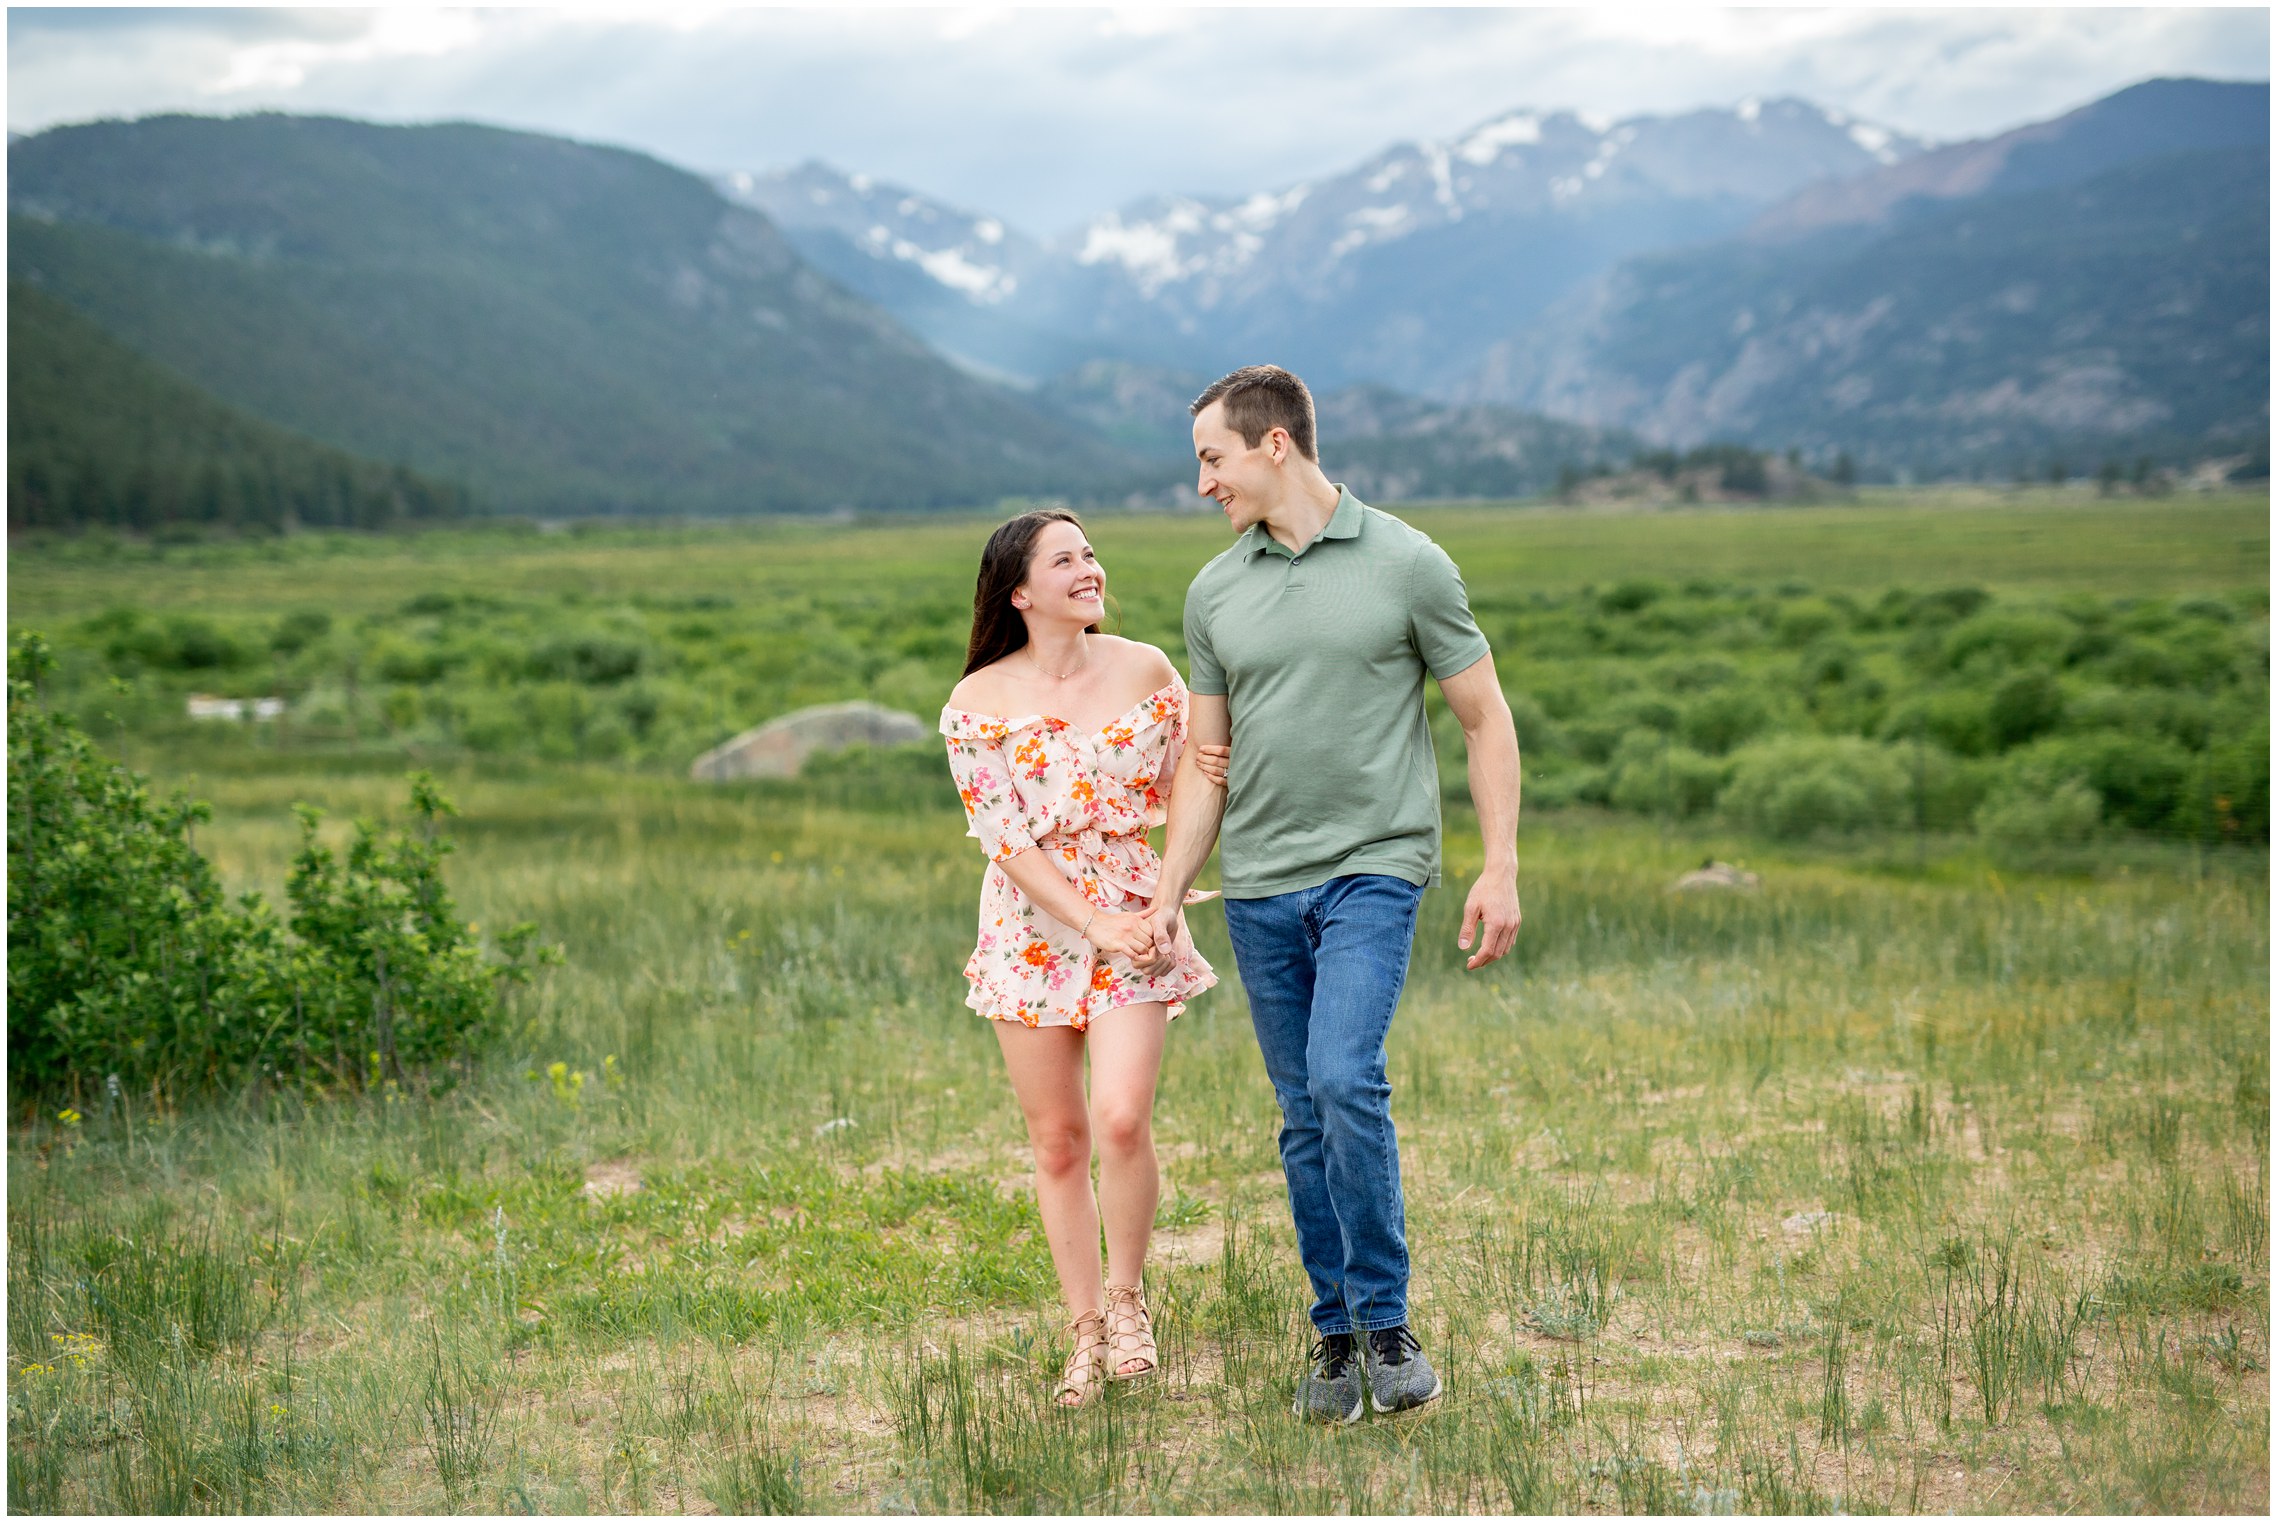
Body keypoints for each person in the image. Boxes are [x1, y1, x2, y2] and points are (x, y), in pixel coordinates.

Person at [1139, 364, 1523, 1423]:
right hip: (1259, 885)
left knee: (1343, 1076)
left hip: (1374, 867)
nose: (1203, 483)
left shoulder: (1408, 561)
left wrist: (1501, 864)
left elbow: (1484, 718)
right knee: (1303, 1114)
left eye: (1212, 458)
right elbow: (1207, 762)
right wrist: (1173, 888)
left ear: (1274, 445)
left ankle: (1389, 1322)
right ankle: (1336, 1338)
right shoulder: (1214, 591)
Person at [940, 509, 1229, 1409]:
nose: (1089, 568)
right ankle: (1083, 1334)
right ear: (1020, 591)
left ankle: (1128, 1298)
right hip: (1031, 925)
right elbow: (1006, 838)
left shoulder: (1145, 667)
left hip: (1140, 913)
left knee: (1118, 1117)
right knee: (1057, 1140)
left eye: (1092, 553)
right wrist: (1085, 922)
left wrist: (1164, 895)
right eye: (1065, 559)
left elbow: (1200, 768)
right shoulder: (976, 701)